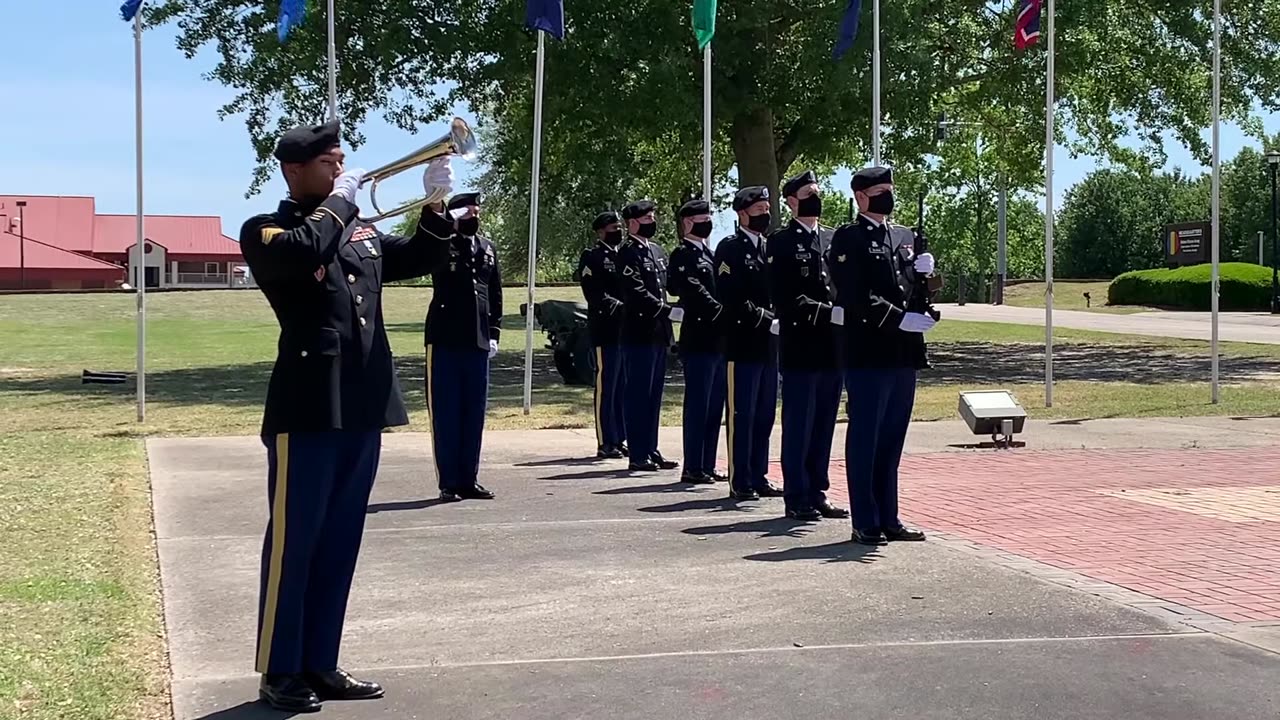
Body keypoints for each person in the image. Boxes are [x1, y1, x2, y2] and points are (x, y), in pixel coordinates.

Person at [238, 119, 456, 712]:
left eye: (342, 162)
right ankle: (280, 670)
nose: (340, 170)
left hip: (362, 400)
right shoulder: (267, 230)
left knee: (340, 539)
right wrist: (341, 201)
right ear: (293, 169)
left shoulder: (354, 227)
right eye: (329, 163)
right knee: (295, 541)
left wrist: (435, 206)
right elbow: (307, 249)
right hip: (308, 404)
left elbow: (413, 260)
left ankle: (321, 661)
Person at [828, 165, 936, 546]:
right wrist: (897, 319)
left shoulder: (905, 235)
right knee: (866, 436)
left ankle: (889, 515)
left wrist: (927, 275)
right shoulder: (848, 239)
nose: (887, 196)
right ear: (860, 197)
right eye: (880, 190)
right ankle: (865, 519)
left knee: (892, 438)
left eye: (890, 189)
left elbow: (917, 290)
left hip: (903, 353)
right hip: (869, 350)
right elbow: (854, 295)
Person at [767, 170, 850, 521]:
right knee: (799, 423)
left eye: (817, 192)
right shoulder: (781, 241)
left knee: (824, 423)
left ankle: (817, 491)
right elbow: (783, 296)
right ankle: (796, 494)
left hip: (832, 347)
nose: (815, 198)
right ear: (791, 201)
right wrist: (824, 311)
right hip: (801, 344)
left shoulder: (832, 239)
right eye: (807, 193)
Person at [423, 191, 502, 502]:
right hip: (445, 338)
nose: (474, 217)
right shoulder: (441, 245)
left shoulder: (488, 247)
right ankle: (448, 481)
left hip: (478, 339)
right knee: (446, 413)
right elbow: (430, 257)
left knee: (473, 413)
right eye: (467, 213)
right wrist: (447, 227)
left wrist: (494, 331)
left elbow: (494, 292)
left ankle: (469, 478)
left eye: (476, 212)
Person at [713, 187, 785, 500]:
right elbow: (731, 296)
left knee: (765, 413)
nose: (765, 215)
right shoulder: (730, 248)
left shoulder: (769, 247)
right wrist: (766, 318)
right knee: (742, 414)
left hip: (769, 345)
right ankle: (739, 478)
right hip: (743, 341)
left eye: (767, 208)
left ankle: (759, 474)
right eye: (759, 210)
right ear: (742, 213)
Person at [666, 198, 727, 484]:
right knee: (699, 404)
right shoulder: (682, 255)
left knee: (715, 405)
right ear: (688, 222)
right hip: (699, 338)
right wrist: (719, 310)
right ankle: (692, 465)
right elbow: (692, 290)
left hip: (718, 340)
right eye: (703, 218)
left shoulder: (712, 255)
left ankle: (708, 462)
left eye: (709, 217)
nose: (708, 222)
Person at [618, 199, 681, 472]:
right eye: (646, 218)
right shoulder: (627, 253)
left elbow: (664, 286)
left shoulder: (656, 251)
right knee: (638, 394)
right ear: (632, 223)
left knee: (654, 395)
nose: (651, 222)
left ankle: (651, 447)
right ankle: (637, 452)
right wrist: (666, 310)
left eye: (652, 216)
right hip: (638, 331)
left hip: (658, 333)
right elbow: (636, 293)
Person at [576, 211, 629, 459]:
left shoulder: (624, 255)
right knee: (606, 386)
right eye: (612, 227)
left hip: (626, 331)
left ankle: (619, 436)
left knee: (622, 387)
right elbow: (594, 294)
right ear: (600, 231)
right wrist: (621, 307)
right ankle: (605, 440)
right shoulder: (592, 257)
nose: (617, 231)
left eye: (619, 226)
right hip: (606, 330)